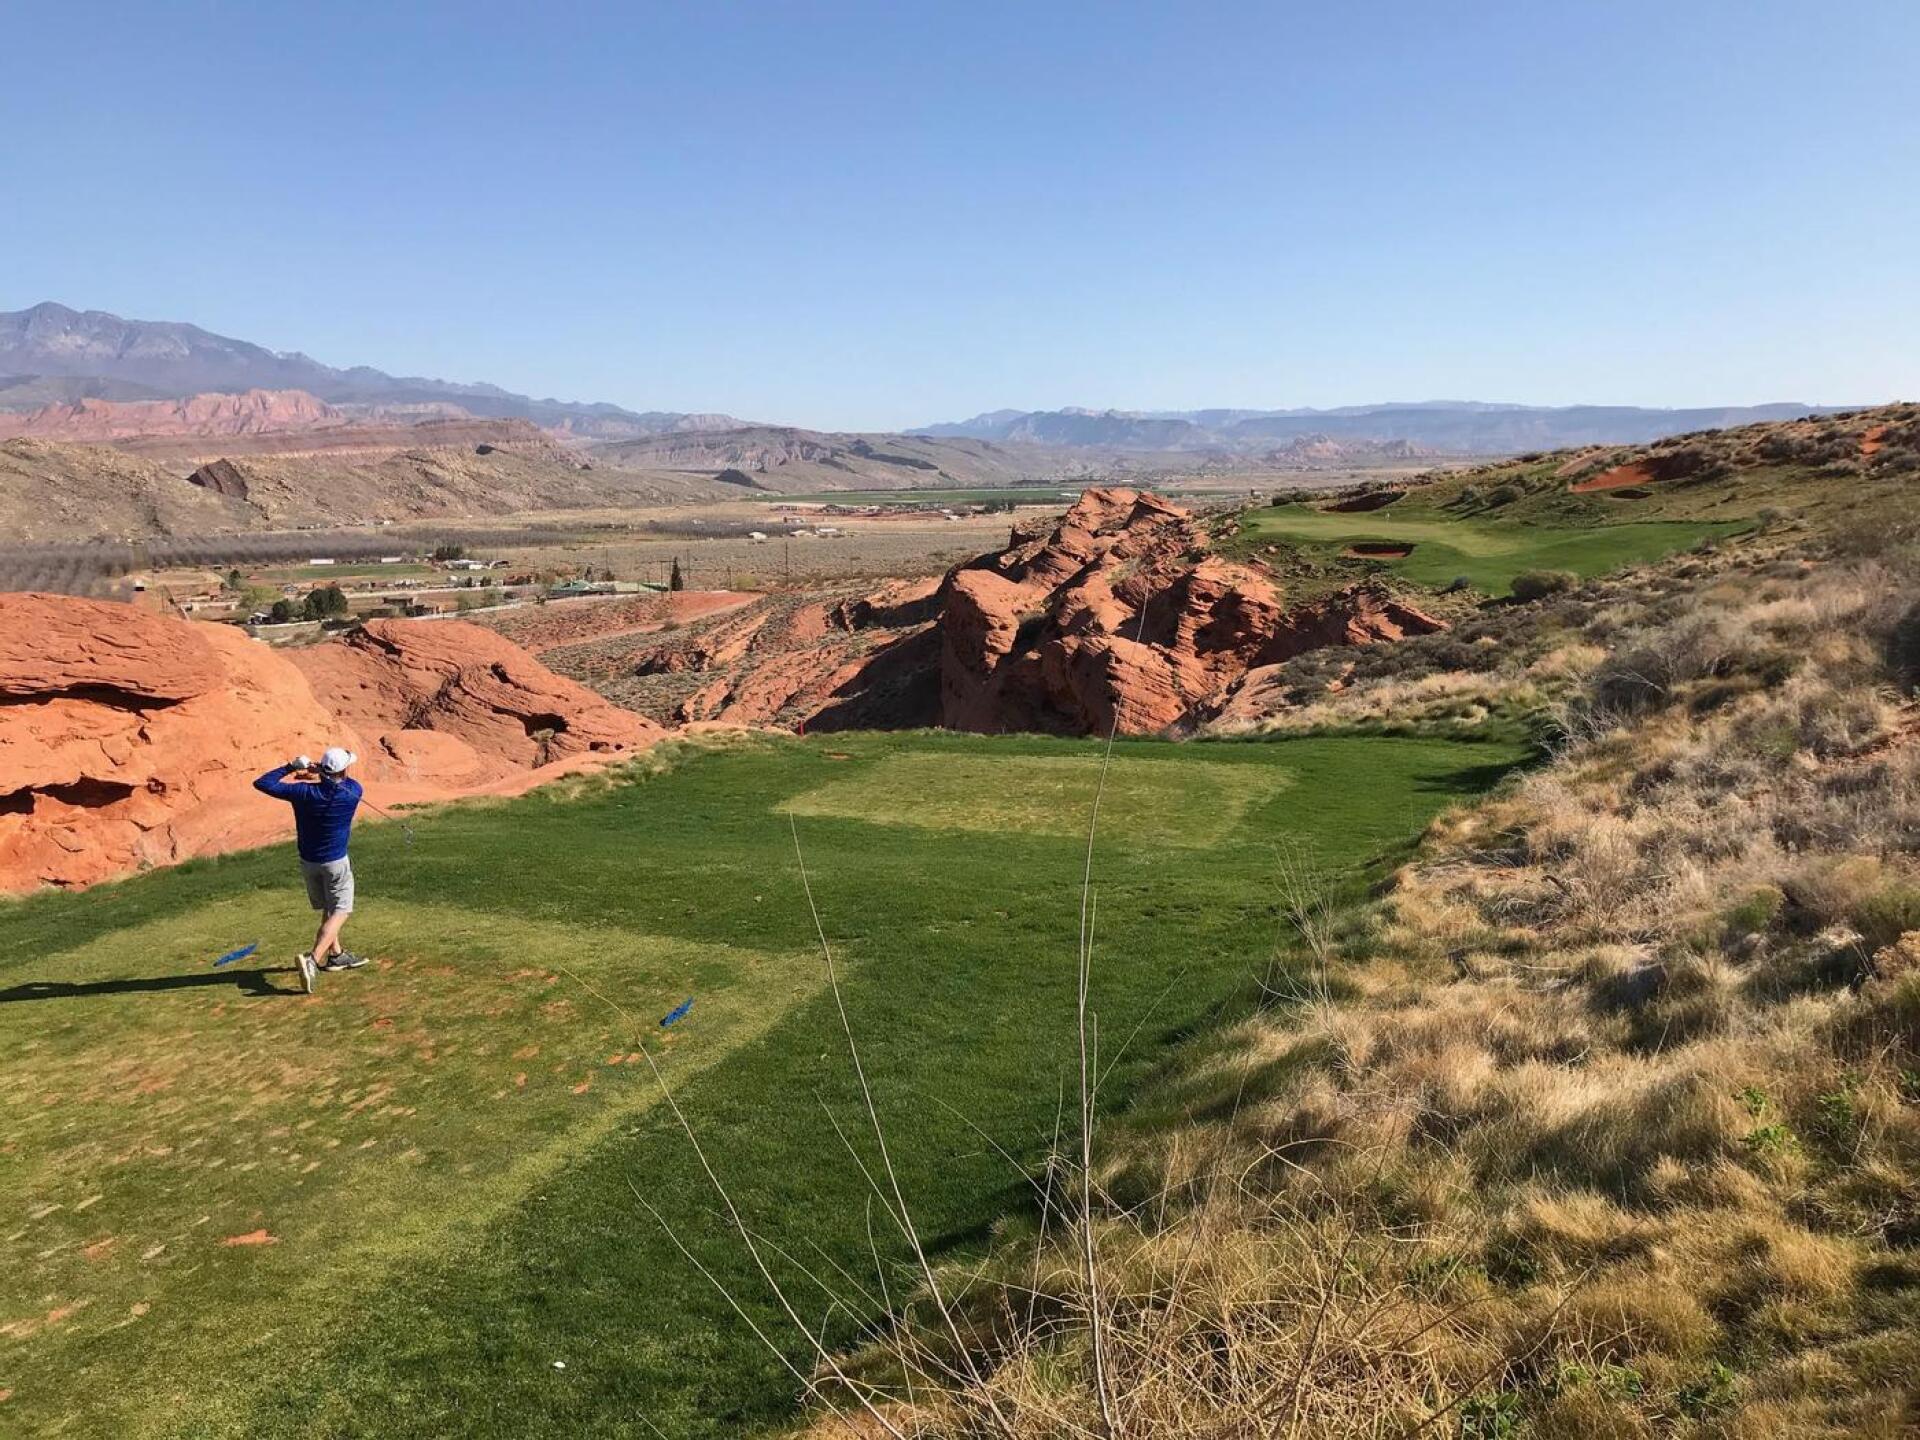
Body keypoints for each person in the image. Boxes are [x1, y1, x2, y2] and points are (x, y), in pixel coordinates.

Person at [254, 746, 367, 994]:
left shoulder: (302, 793)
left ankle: (336, 956)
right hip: (336, 862)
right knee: (342, 909)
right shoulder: (353, 792)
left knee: (328, 906)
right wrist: (321, 773)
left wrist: (292, 767)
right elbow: (344, 782)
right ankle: (313, 960)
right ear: (344, 770)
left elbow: (262, 783)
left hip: (309, 861)